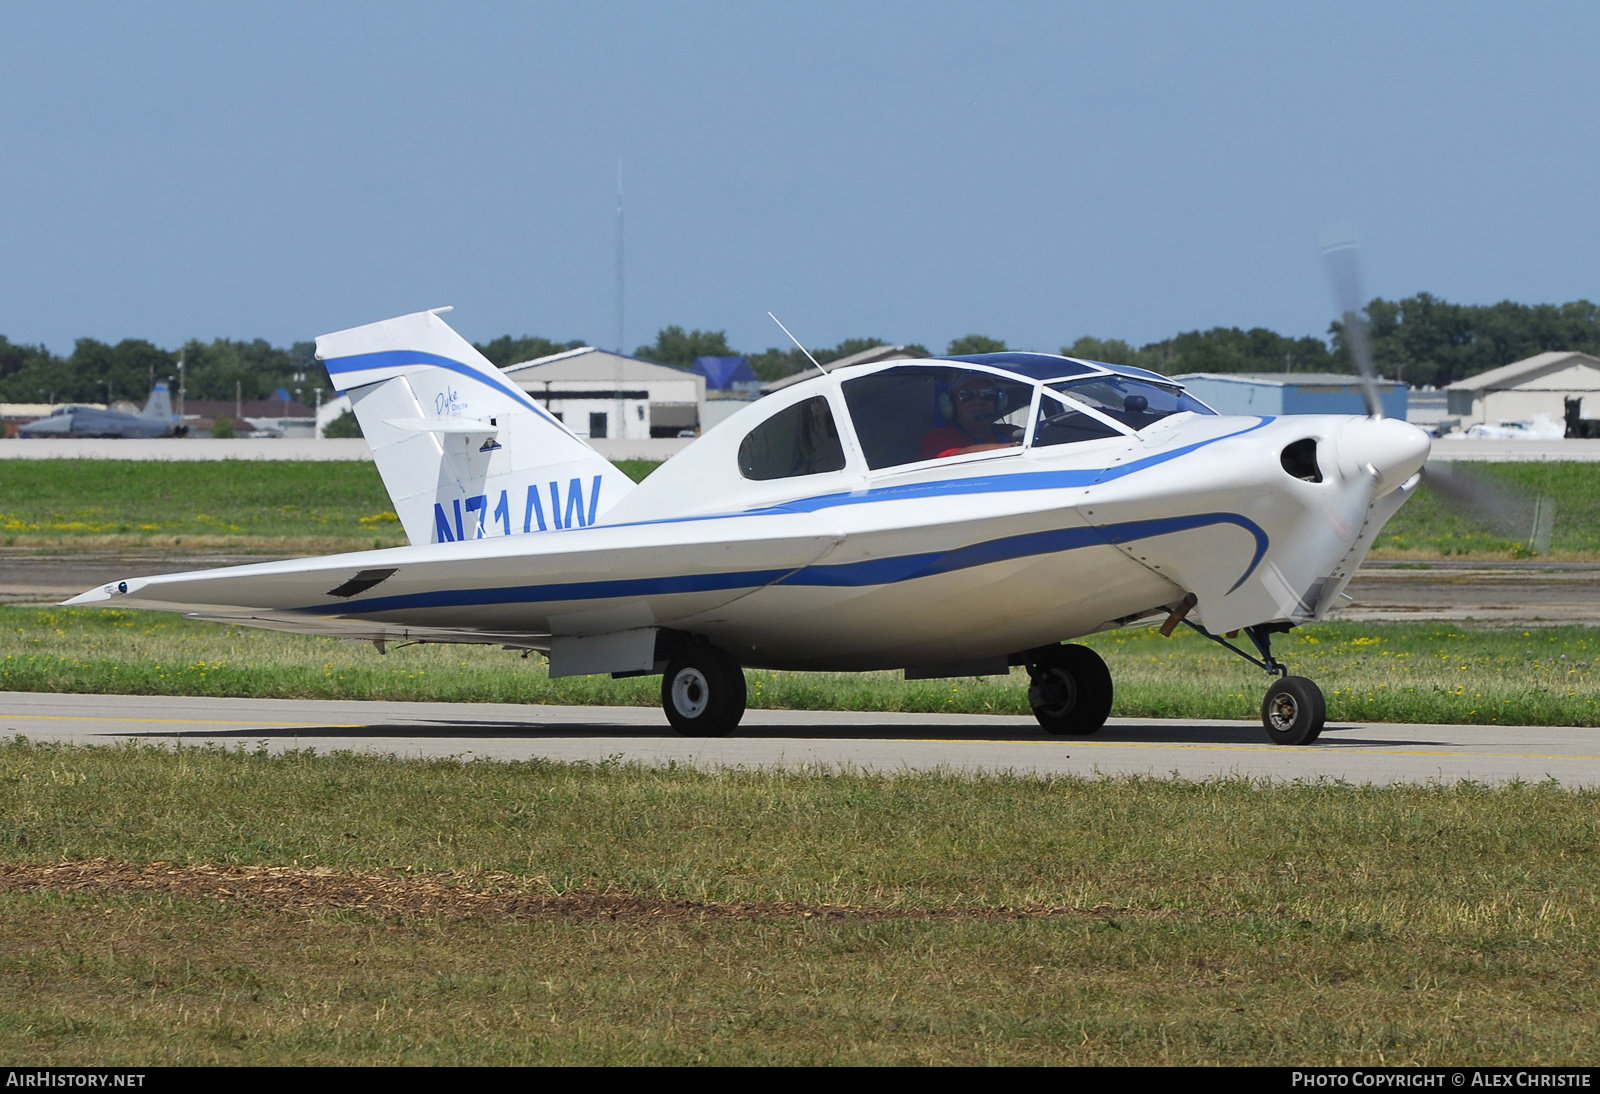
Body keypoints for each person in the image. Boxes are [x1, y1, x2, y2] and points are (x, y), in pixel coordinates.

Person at [920, 372, 1023, 460]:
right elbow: (957, 456)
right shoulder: (939, 437)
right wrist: (1013, 447)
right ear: (951, 402)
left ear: (998, 401)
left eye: (987, 394)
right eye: (966, 395)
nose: (978, 401)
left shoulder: (1010, 432)